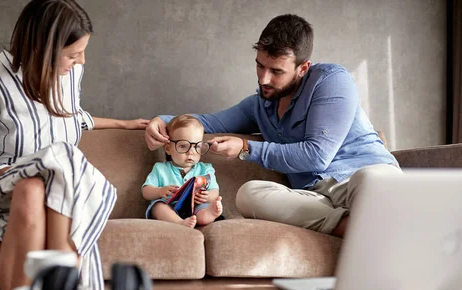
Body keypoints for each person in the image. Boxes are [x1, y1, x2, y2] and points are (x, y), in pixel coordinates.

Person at [0, 0, 149, 290]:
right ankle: (67, 289)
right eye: (74, 55)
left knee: (43, 181)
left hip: (57, 189)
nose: (81, 62)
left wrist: (126, 124)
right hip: (3, 193)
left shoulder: (70, 75)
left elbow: (68, 117)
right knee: (39, 177)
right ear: (42, 50)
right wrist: (34, 169)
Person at [144, 14, 401, 238]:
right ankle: (355, 227)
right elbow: (210, 121)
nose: (264, 79)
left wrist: (247, 147)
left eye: (276, 71)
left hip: (357, 179)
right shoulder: (260, 105)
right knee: (249, 194)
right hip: (315, 197)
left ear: (303, 68)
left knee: (372, 179)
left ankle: (370, 225)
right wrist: (162, 120)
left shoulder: (332, 81)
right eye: (260, 65)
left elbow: (317, 156)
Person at [142, 115, 223, 228]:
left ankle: (208, 214)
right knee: (158, 207)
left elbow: (215, 191)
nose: (191, 152)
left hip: (196, 206)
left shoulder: (206, 169)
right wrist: (160, 191)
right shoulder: (160, 169)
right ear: (168, 148)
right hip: (170, 206)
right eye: (183, 146)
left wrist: (208, 196)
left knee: (203, 207)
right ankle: (179, 222)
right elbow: (145, 191)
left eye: (197, 146)